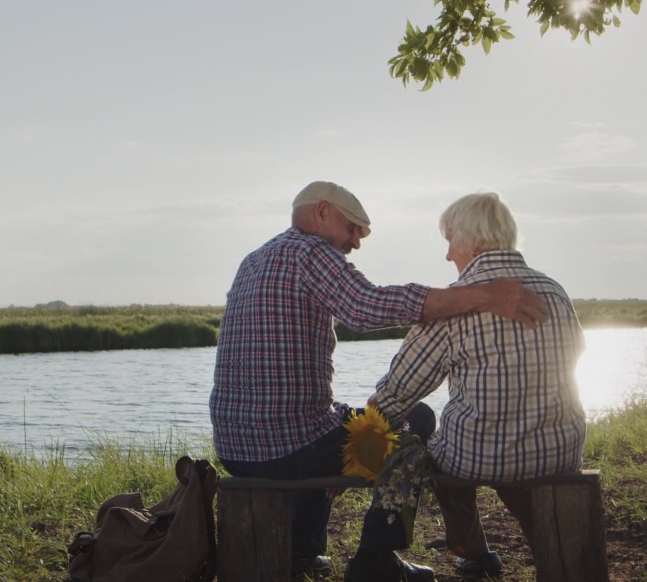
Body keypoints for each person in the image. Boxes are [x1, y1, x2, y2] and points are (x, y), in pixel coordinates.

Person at [211, 181, 549, 582]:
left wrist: (353, 429)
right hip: (290, 448)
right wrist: (486, 295)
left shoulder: (255, 259)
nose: (356, 242)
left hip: (235, 446)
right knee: (416, 422)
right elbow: (366, 308)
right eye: (353, 228)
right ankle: (375, 559)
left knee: (330, 423)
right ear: (321, 213)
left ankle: (302, 551)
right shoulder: (311, 252)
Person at [369, 192, 586, 580]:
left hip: (482, 456)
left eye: (450, 241)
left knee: (435, 451)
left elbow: (401, 391)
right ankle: (547, 548)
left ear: (472, 240)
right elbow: (577, 354)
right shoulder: (554, 290)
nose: (448, 255)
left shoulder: (454, 306)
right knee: (510, 449)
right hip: (559, 453)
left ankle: (474, 552)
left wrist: (366, 420)